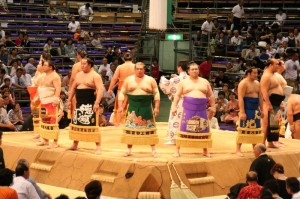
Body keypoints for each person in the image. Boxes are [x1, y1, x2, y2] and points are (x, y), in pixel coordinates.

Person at [171, 62, 215, 157]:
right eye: (192, 69)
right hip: (188, 108)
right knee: (183, 128)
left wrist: (213, 107)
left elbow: (211, 95)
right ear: (188, 71)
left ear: (199, 70)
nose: (195, 71)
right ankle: (177, 150)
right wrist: (174, 106)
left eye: (196, 69)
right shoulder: (184, 82)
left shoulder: (205, 82)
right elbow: (178, 95)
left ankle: (205, 150)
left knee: (204, 129)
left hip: (201, 109)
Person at [118, 62, 160, 157]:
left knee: (149, 129)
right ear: (134, 69)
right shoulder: (128, 80)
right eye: (137, 69)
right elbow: (122, 93)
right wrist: (120, 106)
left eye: (141, 69)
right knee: (130, 129)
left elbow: (156, 94)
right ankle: (128, 150)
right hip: (132, 107)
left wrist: (156, 107)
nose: (139, 70)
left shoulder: (150, 80)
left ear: (144, 70)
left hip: (146, 107)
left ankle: (153, 150)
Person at [68, 57, 103, 154]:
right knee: (77, 124)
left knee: (93, 125)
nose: (82, 65)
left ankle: (98, 146)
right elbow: (73, 88)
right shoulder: (78, 75)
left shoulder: (95, 76)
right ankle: (75, 144)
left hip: (90, 103)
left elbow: (100, 89)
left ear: (90, 65)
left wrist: (97, 103)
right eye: (81, 64)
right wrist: (69, 100)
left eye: (84, 64)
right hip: (79, 104)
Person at [159, 60, 188, 145]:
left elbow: (165, 85)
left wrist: (162, 78)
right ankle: (186, 137)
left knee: (175, 119)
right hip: (189, 102)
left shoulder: (176, 79)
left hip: (178, 102)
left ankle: (173, 139)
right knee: (186, 119)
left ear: (179, 68)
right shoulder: (189, 78)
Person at [34, 60, 61, 148]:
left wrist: (56, 99)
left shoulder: (55, 76)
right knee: (44, 121)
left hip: (51, 101)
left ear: (50, 67)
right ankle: (45, 140)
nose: (43, 66)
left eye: (45, 65)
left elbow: (58, 89)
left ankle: (55, 142)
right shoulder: (43, 76)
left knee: (53, 121)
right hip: (43, 102)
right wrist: (36, 97)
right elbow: (40, 88)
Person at [236, 68, 263, 156]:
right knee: (243, 129)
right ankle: (238, 149)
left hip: (255, 109)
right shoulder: (243, 83)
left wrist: (261, 110)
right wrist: (242, 112)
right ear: (248, 73)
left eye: (257, 73)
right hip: (247, 108)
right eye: (254, 73)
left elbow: (260, 98)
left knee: (255, 130)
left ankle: (255, 149)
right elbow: (240, 98)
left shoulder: (258, 83)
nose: (256, 75)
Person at [260, 58, 285, 148]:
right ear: (270, 65)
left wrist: (281, 101)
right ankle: (262, 144)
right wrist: (268, 104)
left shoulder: (273, 75)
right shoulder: (266, 76)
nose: (278, 66)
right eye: (276, 64)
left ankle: (270, 143)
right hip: (269, 102)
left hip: (276, 102)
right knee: (266, 124)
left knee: (273, 124)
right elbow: (264, 91)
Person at [107, 53, 135, 125]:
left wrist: (109, 89)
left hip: (121, 89)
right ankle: (132, 123)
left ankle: (118, 123)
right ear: (132, 59)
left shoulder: (120, 67)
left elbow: (114, 79)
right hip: (133, 89)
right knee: (133, 106)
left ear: (124, 59)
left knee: (119, 107)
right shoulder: (135, 67)